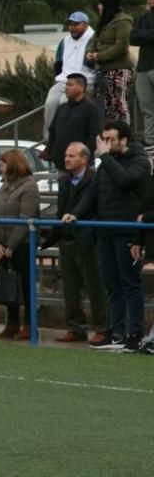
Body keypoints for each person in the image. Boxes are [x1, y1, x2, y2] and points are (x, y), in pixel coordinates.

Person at [65, 121, 150, 351]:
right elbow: (93, 193)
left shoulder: (139, 161)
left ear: (124, 140)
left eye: (111, 139)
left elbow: (125, 181)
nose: (105, 143)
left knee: (130, 283)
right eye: (104, 139)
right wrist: (75, 213)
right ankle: (117, 332)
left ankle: (134, 334)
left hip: (128, 231)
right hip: (106, 231)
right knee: (112, 284)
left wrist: (105, 157)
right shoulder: (105, 165)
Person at [44, 142, 110, 344]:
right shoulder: (65, 181)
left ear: (85, 159)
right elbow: (61, 210)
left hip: (88, 241)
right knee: (70, 288)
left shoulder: (95, 180)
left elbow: (97, 208)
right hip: (67, 239)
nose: (66, 159)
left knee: (95, 286)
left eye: (71, 156)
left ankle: (104, 328)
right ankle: (75, 327)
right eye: (66, 155)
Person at [0, 149, 41, 341]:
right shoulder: (4, 186)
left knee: (26, 285)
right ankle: (11, 323)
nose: (0, 167)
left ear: (12, 164)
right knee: (9, 284)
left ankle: (30, 325)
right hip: (3, 244)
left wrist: (12, 245)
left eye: (3, 163)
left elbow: (26, 218)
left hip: (23, 244)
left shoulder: (29, 186)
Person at [43, 12, 95, 137]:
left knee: (63, 102)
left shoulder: (93, 39)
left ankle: (64, 136)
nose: (72, 27)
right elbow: (58, 63)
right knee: (50, 103)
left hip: (85, 81)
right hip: (64, 80)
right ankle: (49, 139)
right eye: (70, 24)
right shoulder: (65, 41)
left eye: (76, 24)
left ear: (86, 25)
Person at [86, 0, 133, 123]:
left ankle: (124, 137)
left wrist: (98, 55)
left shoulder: (123, 21)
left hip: (119, 70)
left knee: (119, 106)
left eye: (100, 4)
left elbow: (120, 47)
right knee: (107, 109)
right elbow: (94, 41)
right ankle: (110, 139)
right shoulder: (103, 22)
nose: (98, 7)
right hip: (103, 70)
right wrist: (89, 53)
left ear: (107, 5)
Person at [45, 73, 101, 171]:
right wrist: (53, 152)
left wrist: (82, 155)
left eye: (70, 85)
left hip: (82, 167)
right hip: (61, 166)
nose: (66, 88)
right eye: (66, 85)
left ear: (81, 87)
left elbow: (94, 135)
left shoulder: (90, 109)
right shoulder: (61, 108)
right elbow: (52, 131)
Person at [131, 0, 154, 150]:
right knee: (147, 109)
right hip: (143, 68)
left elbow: (140, 36)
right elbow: (132, 37)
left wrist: (143, 35)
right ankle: (150, 141)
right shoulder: (144, 18)